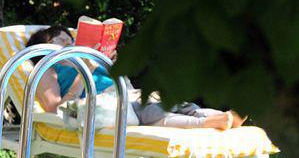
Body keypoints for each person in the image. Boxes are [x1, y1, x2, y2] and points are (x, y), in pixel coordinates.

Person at [25, 26, 244, 130]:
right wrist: (87, 71)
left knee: (176, 103)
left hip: (126, 96)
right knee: (151, 112)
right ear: (44, 49)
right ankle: (208, 122)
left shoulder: (87, 59)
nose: (69, 45)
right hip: (103, 107)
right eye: (61, 42)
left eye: (70, 40)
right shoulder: (48, 69)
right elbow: (56, 109)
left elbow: (124, 85)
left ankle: (224, 117)